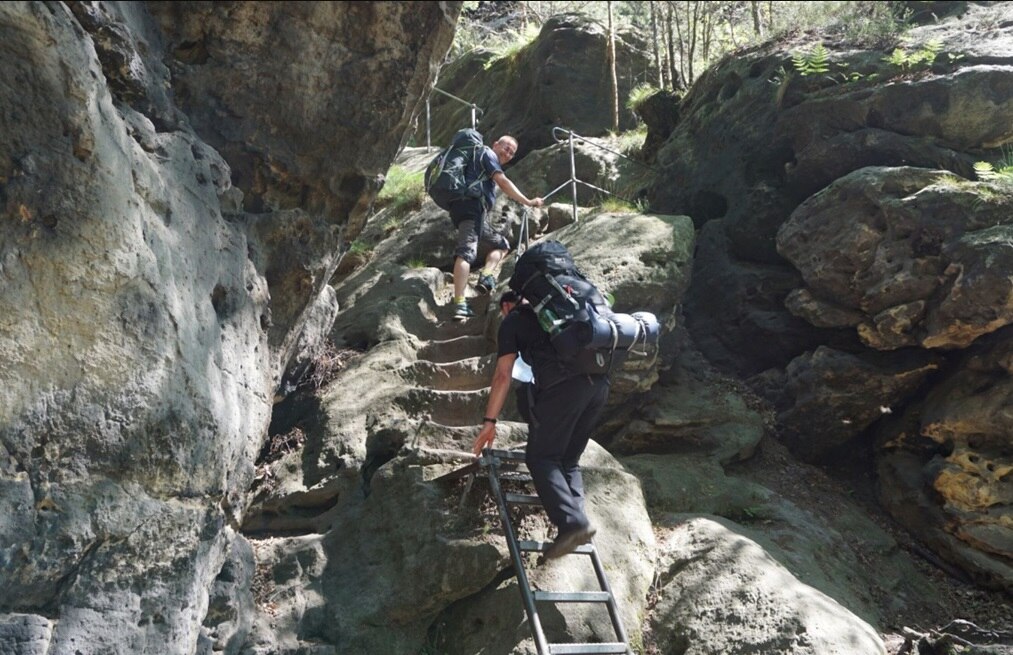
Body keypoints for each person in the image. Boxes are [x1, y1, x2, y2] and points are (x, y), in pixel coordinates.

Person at [472, 291, 609, 559]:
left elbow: (503, 375)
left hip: (565, 388)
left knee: (540, 457)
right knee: (568, 459)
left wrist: (489, 421)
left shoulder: (513, 320)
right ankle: (576, 521)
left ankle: (573, 524)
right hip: (600, 383)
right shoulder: (563, 310)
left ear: (507, 305)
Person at [449, 135, 543, 321]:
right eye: (505, 147)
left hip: (470, 211)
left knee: (501, 244)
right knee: (466, 252)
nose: (507, 153)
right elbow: (503, 182)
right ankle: (459, 302)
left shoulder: (481, 161)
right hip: (471, 209)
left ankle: (486, 275)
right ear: (495, 145)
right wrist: (528, 201)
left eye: (511, 152)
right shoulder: (487, 154)